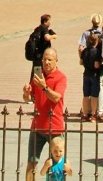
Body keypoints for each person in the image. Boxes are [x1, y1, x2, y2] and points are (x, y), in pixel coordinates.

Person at [22, 48, 67, 181]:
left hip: (55, 127)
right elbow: (29, 98)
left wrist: (44, 87)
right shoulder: (38, 76)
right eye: (44, 59)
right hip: (38, 126)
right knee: (32, 162)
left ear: (56, 61)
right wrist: (26, 93)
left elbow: (56, 97)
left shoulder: (61, 77)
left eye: (49, 59)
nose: (46, 62)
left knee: (58, 164)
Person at [80, 32, 101, 121]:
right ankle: (93, 114)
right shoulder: (96, 52)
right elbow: (96, 65)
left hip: (86, 74)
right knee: (94, 96)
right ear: (96, 42)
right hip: (94, 75)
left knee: (86, 95)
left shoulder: (84, 51)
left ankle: (85, 113)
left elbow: (81, 62)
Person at [29, 14, 56, 78]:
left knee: (35, 73)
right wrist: (53, 36)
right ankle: (39, 86)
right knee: (41, 74)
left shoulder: (37, 29)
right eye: (49, 21)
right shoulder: (44, 28)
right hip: (41, 56)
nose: (50, 22)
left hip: (36, 55)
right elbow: (47, 37)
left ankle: (31, 86)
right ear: (45, 22)